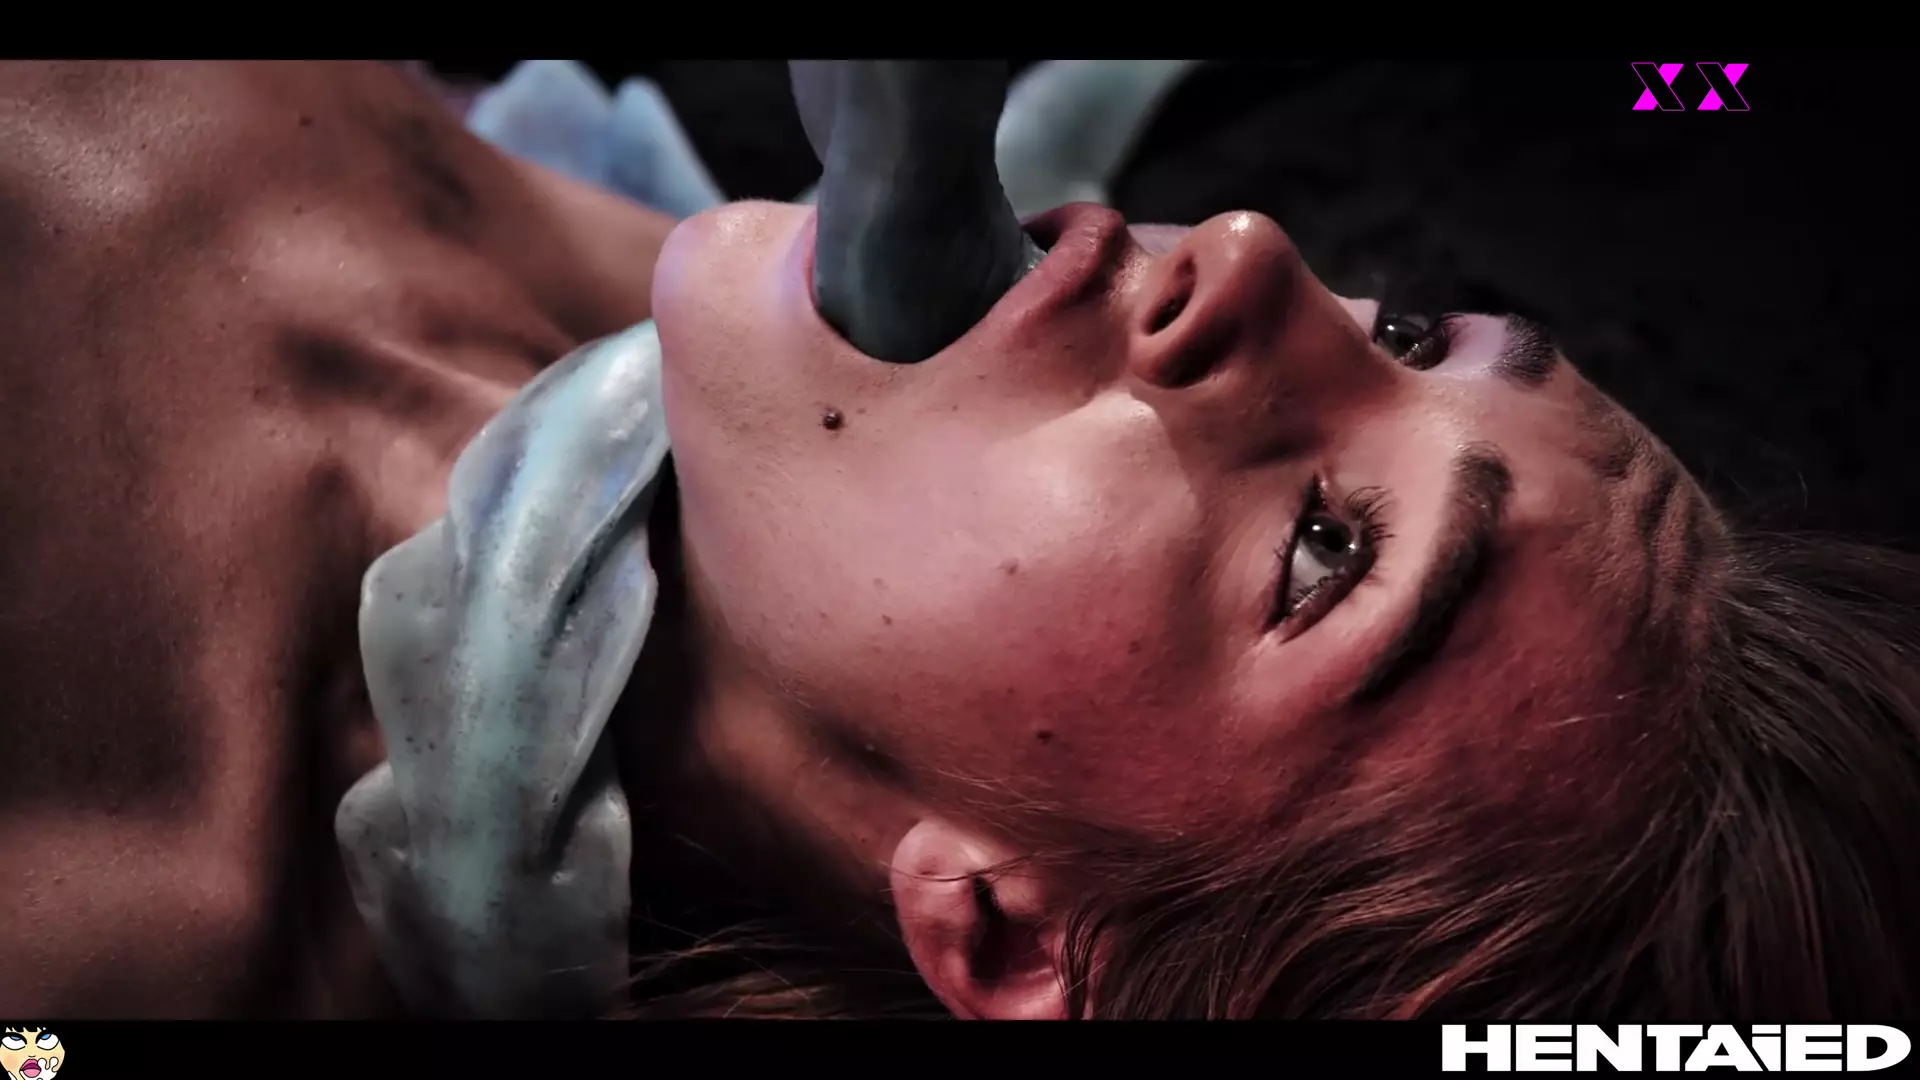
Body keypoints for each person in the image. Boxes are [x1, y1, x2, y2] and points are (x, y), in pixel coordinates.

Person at [2, 59, 1916, 1021]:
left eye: (1327, 553)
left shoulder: (101, 920)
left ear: (1005, 936)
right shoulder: (737, 298)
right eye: (1411, 337)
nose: (1253, 262)